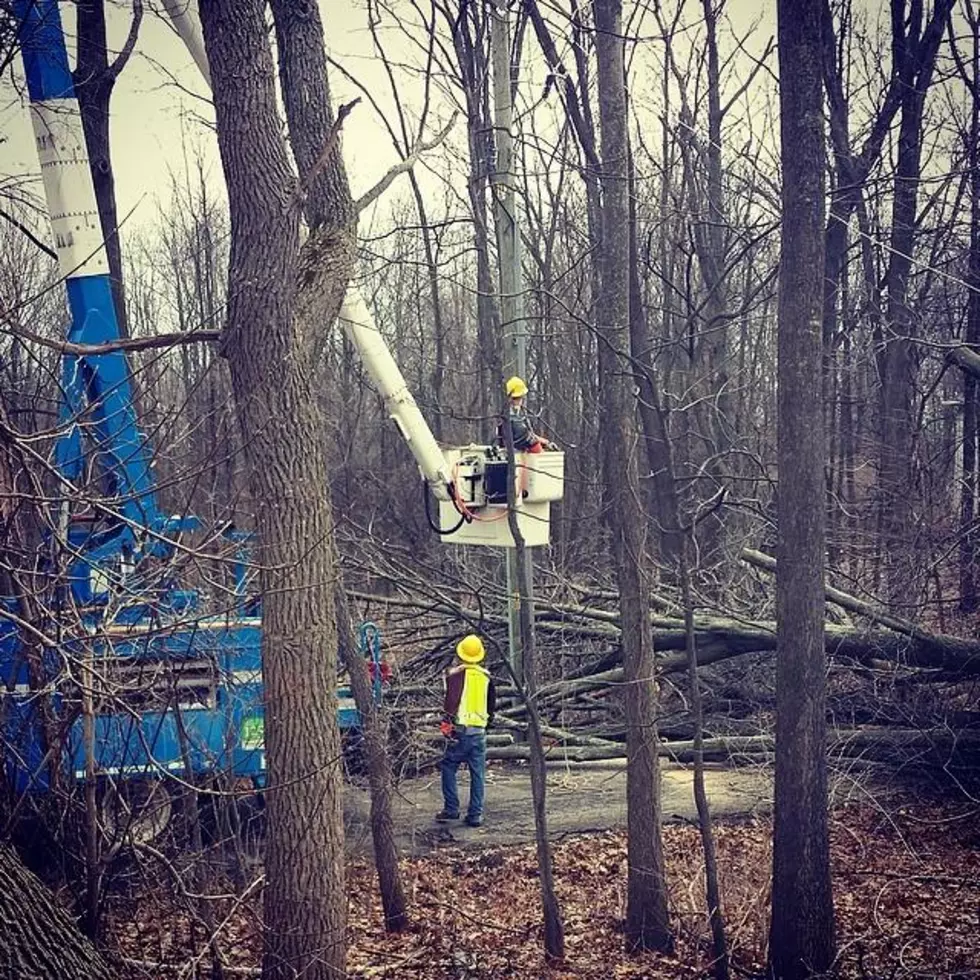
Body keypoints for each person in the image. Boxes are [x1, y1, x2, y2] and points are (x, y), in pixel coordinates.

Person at [436, 633, 497, 827]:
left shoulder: (455, 677)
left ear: (461, 654)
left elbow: (450, 704)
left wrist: (446, 726)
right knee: (477, 773)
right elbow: (491, 706)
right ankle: (475, 814)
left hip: (460, 731)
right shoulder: (486, 678)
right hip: (479, 731)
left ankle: (452, 809)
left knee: (448, 766)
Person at [503, 376, 556, 454]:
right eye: (518, 398)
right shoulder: (512, 419)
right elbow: (524, 436)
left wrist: (543, 441)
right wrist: (539, 443)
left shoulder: (510, 415)